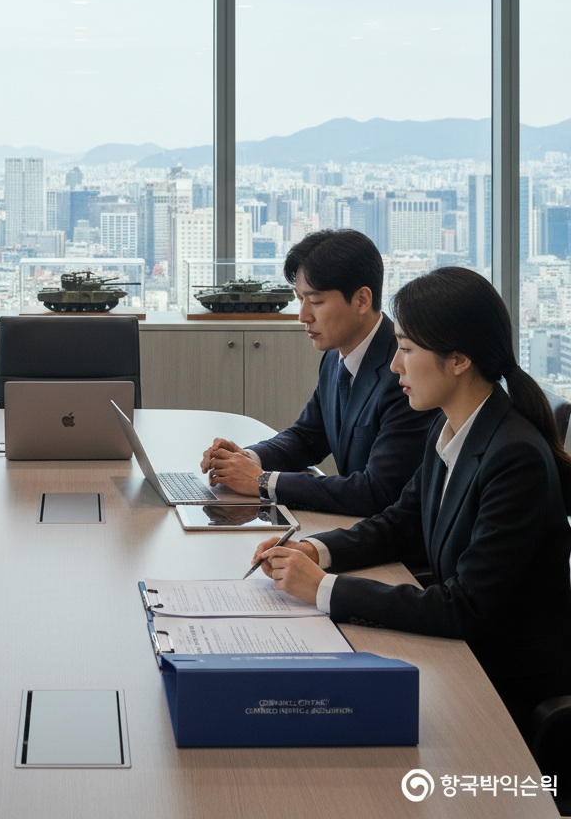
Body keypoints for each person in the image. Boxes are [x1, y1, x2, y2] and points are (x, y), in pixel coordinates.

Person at [251, 267, 571, 732]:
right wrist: (314, 550)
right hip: (459, 658)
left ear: (459, 359)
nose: (396, 365)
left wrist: (322, 588)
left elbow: (464, 608)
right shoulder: (451, 427)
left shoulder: (513, 456)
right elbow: (399, 523)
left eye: (406, 349)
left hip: (501, 691)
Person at [200, 228, 438, 516]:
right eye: (300, 299)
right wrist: (248, 457)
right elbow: (307, 437)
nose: (303, 315)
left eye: (316, 301)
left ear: (362, 300)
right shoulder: (335, 356)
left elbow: (377, 491)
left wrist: (261, 482)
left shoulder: (404, 374)